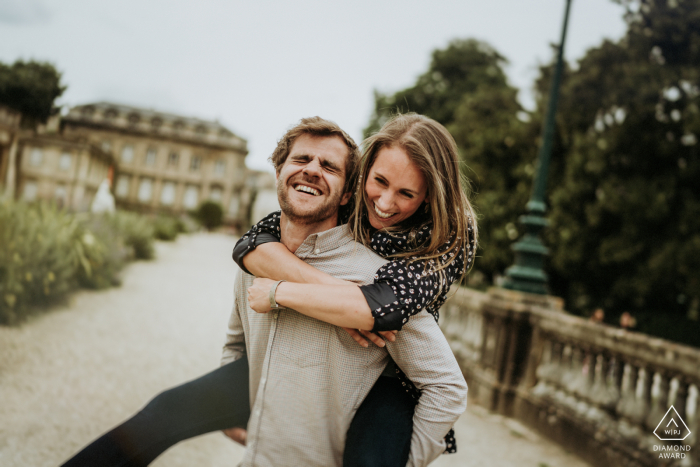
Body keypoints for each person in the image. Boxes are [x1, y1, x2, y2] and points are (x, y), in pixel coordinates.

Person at [61, 115, 474, 466]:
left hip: (369, 409)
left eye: (329, 166)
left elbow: (447, 386)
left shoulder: (394, 270)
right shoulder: (262, 254)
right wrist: (234, 408)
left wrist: (406, 457)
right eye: (301, 159)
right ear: (278, 171)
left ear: (346, 191)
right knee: (161, 413)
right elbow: (237, 339)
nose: (385, 201)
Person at [233, 113, 477, 465]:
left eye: (406, 193)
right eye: (379, 181)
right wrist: (339, 299)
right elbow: (252, 241)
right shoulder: (349, 204)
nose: (386, 203)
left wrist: (278, 294)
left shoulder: (445, 240)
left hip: (397, 379)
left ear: (426, 198)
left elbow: (383, 309)